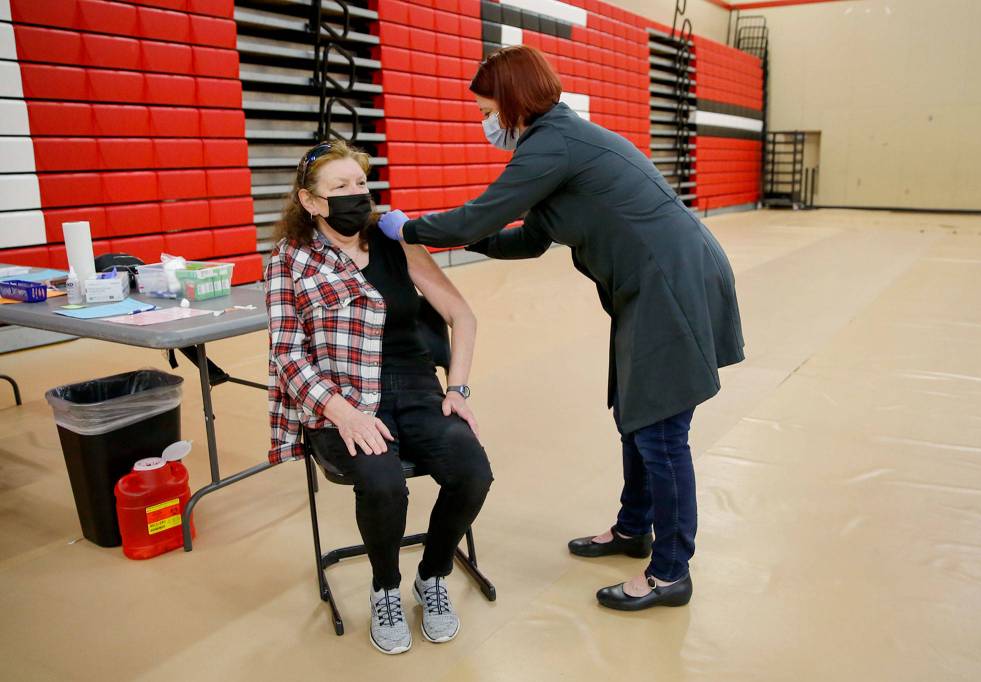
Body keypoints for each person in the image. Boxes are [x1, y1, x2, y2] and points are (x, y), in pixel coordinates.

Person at [376, 46, 744, 611]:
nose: (484, 122)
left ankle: (671, 572)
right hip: (648, 288)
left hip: (671, 285)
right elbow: (528, 238)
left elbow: (483, 214)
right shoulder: (554, 147)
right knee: (635, 415)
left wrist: (410, 229)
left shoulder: (554, 143)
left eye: (485, 108)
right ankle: (633, 528)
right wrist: (450, 235)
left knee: (661, 435)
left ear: (511, 101)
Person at [265, 140, 493, 653]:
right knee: (382, 481)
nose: (357, 196)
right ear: (311, 202)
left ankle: (431, 576)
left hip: (414, 384)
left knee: (472, 470)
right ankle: (385, 587)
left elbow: (463, 316)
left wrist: (457, 388)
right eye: (340, 187)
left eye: (361, 184)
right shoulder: (291, 259)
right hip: (341, 396)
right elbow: (286, 353)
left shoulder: (395, 242)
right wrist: (341, 413)